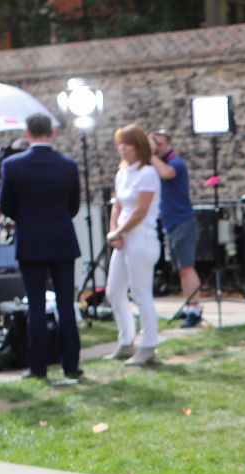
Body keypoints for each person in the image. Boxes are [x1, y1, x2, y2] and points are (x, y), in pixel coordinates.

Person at [0, 112, 82, 380]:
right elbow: (74, 205)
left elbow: (5, 205)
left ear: (27, 133)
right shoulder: (68, 166)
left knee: (35, 305)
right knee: (66, 304)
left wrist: (24, 217)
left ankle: (39, 367)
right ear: (52, 133)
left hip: (31, 240)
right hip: (61, 239)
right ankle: (71, 366)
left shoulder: (12, 165)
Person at [104, 123, 162, 366]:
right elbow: (118, 206)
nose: (123, 149)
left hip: (142, 237)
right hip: (125, 237)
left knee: (141, 293)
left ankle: (148, 344)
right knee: (114, 291)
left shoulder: (148, 173)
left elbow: (140, 211)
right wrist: (114, 231)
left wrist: (119, 231)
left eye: (127, 144)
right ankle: (126, 340)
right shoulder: (123, 173)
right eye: (121, 144)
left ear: (138, 147)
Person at [150, 128, 203, 327]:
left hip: (183, 221)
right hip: (171, 223)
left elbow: (166, 173)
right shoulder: (160, 163)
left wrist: (150, 154)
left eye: (159, 145)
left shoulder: (175, 163)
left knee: (187, 268)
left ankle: (195, 310)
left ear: (168, 144)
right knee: (181, 269)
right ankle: (189, 306)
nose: (156, 149)